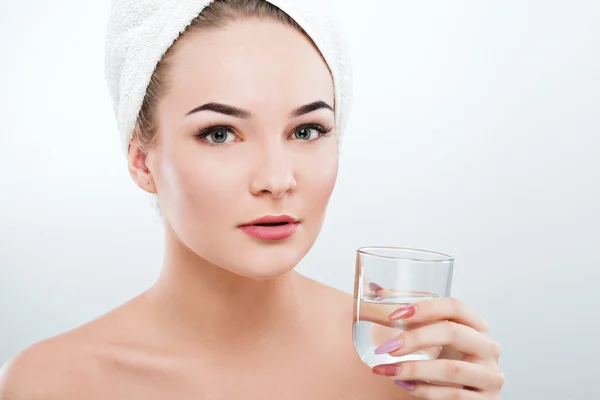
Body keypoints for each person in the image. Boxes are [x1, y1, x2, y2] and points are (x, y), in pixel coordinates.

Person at [0, 0, 504, 398]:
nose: (277, 178)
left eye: (307, 130)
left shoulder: (406, 367)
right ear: (141, 160)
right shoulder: (49, 384)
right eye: (220, 133)